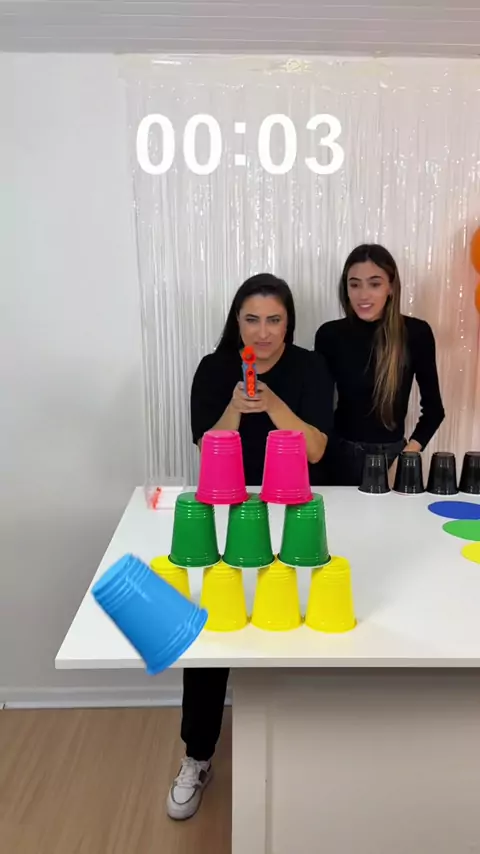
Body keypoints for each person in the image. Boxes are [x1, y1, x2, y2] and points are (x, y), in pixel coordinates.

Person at [167, 272, 334, 820]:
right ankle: (197, 755)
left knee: (300, 623)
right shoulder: (214, 368)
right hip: (230, 511)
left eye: (274, 320)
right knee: (216, 628)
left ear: (289, 322)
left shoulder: (310, 367)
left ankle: (302, 750)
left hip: (296, 513)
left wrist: (273, 402)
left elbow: (316, 449)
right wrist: (237, 407)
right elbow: (207, 445)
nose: (263, 332)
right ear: (236, 321)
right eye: (252, 319)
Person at [314, 244, 445, 486]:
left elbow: (434, 411)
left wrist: (406, 458)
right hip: (338, 457)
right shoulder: (329, 335)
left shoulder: (416, 333)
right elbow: (318, 406)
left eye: (374, 284)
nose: (363, 295)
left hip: (393, 459)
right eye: (355, 285)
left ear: (391, 287)